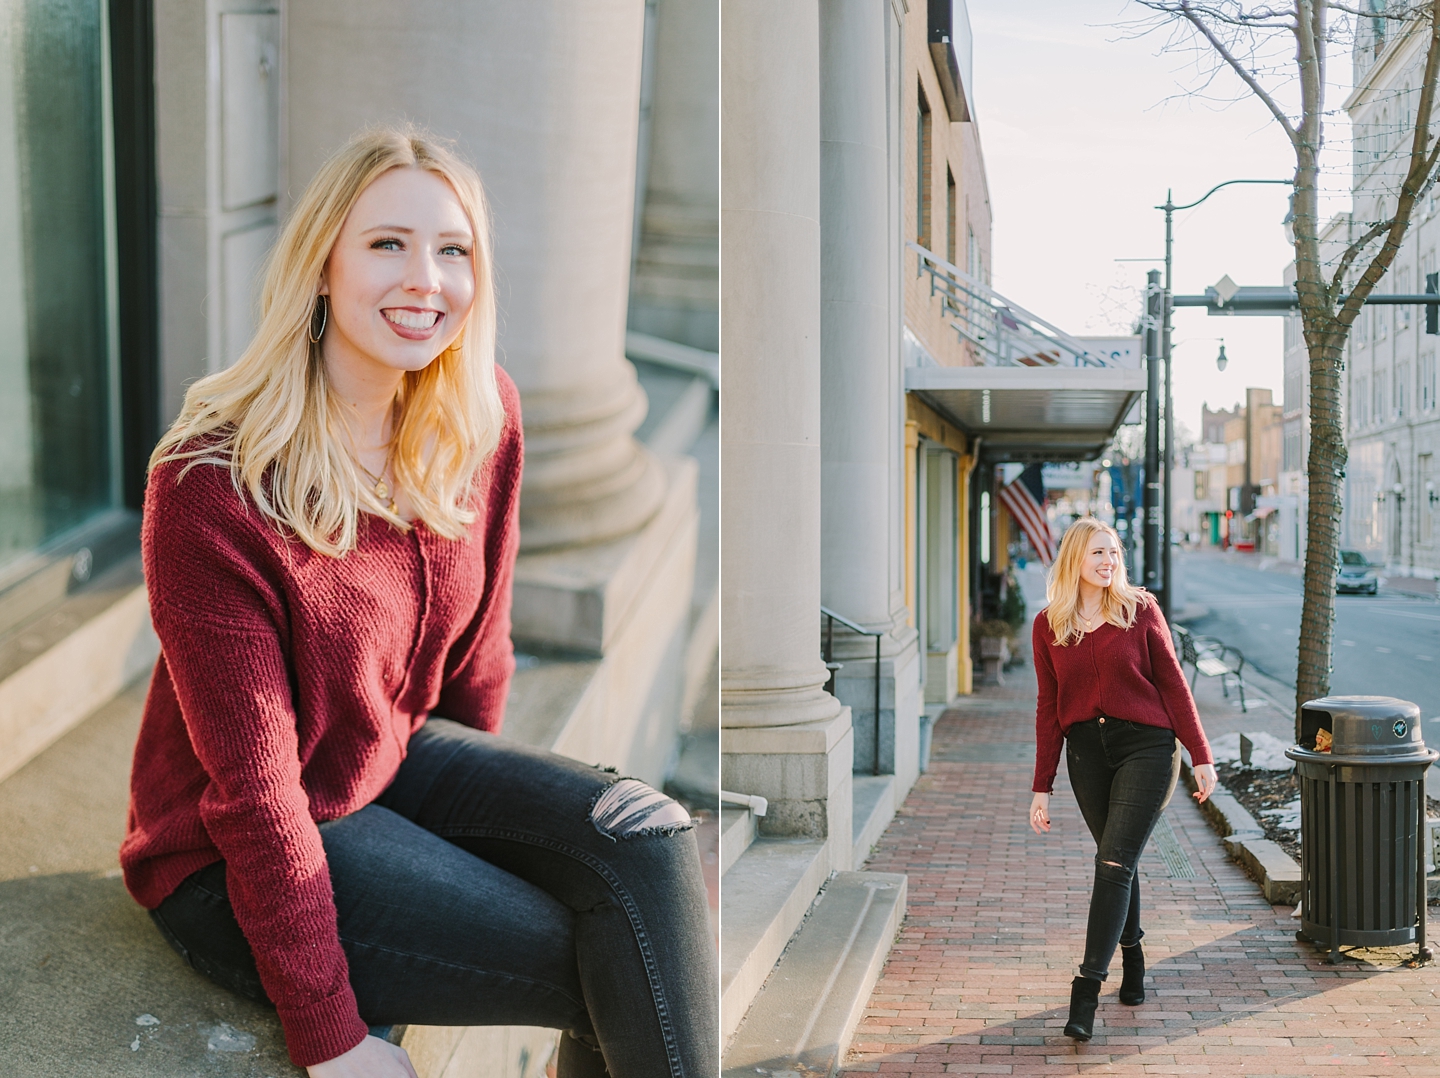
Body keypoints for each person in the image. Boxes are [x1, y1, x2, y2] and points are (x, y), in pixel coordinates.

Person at [119, 127, 717, 1078]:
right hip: (232, 858)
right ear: (322, 263)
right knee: (622, 960)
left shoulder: (479, 416)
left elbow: (480, 660)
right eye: (387, 244)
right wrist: (334, 1039)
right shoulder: (212, 483)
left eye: (453, 250)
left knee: (649, 841)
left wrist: (491, 851)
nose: (425, 280)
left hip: (389, 761)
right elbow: (257, 799)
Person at [1027, 517, 1216, 1042]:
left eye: (1113, 553)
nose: (1109, 562)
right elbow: (1048, 708)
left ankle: (1086, 988)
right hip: (1087, 755)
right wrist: (1041, 784)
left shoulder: (1138, 609)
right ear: (1074, 562)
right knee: (1120, 860)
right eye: (1097, 555)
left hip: (1147, 749)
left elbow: (1174, 684)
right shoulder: (1049, 625)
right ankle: (1133, 955)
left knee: (1111, 862)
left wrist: (1200, 752)